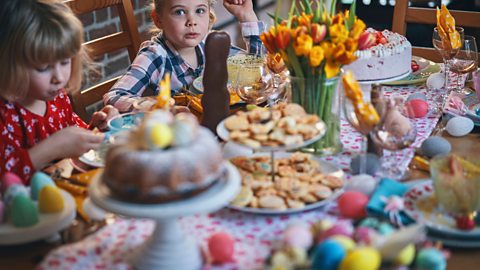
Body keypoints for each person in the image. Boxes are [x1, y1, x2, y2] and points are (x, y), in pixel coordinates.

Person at [0, 0, 118, 184]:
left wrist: (96, 127)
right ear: (12, 65)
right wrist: (52, 148)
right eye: (43, 68)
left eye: (65, 62)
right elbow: (5, 178)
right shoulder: (6, 115)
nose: (58, 77)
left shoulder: (57, 96)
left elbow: (72, 140)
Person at [104, 0, 265, 112]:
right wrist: (157, 105)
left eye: (200, 10)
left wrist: (247, 16)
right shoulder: (155, 55)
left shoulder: (210, 42)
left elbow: (256, 71)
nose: (191, 21)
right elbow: (114, 97)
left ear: (209, 14)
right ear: (158, 19)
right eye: (180, 12)